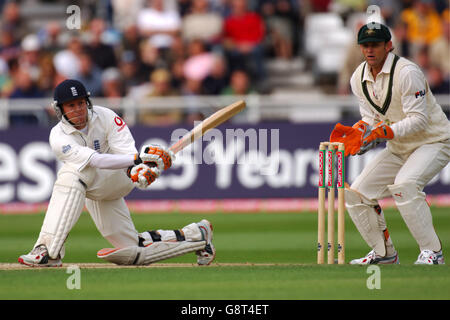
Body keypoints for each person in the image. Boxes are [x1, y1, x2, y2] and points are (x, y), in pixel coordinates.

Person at [18, 79, 215, 267]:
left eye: (80, 103)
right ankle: (197, 236)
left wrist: (139, 171)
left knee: (71, 174)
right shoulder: (58, 136)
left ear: (87, 102)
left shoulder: (107, 117)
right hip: (92, 186)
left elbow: (127, 154)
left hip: (115, 178)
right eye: (71, 106)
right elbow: (95, 160)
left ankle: (47, 250)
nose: (78, 110)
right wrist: (138, 160)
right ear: (60, 109)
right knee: (133, 249)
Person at [329, 23, 450, 265]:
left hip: (434, 140)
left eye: (375, 45)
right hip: (398, 147)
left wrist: (385, 131)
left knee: (405, 184)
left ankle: (432, 252)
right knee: (357, 194)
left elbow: (419, 119)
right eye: (365, 46)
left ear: (389, 46)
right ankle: (384, 254)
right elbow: (371, 118)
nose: (370, 50)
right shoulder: (358, 78)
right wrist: (360, 134)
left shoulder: (407, 72)